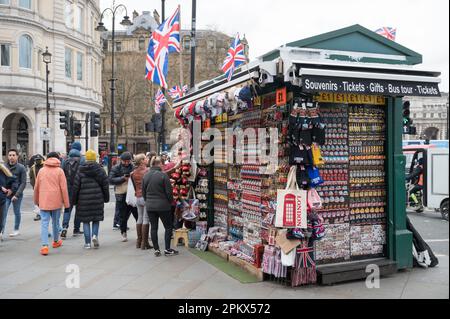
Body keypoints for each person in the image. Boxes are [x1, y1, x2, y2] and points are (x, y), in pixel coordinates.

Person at [34, 152, 70, 256]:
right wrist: (66, 204)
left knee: (44, 222)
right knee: (55, 221)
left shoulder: (41, 170)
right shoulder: (60, 171)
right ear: (57, 159)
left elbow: (37, 187)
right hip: (56, 200)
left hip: (44, 200)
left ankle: (45, 246)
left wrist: (36, 201)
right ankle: (55, 241)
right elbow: (64, 189)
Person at [72, 150, 109, 249]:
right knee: (96, 220)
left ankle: (87, 243)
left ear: (86, 158)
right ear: (95, 158)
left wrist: (74, 201)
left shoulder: (81, 170)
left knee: (85, 221)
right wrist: (106, 198)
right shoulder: (100, 170)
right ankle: (95, 236)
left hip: (83, 200)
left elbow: (76, 187)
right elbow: (105, 185)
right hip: (97, 199)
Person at [143, 156, 178, 257]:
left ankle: (156, 249)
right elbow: (169, 192)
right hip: (163, 206)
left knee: (154, 227)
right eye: (162, 164)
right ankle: (167, 249)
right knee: (168, 227)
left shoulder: (146, 176)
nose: (164, 166)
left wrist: (148, 201)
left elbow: (144, 192)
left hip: (150, 206)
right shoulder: (163, 176)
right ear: (159, 164)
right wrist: (170, 202)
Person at [109, 151, 138, 242]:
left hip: (132, 194)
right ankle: (123, 232)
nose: (126, 163)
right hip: (121, 194)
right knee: (123, 216)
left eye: (128, 161)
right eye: (124, 161)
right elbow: (111, 179)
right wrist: (123, 178)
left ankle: (140, 233)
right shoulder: (116, 168)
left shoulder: (133, 167)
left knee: (137, 214)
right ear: (121, 160)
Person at [1, 149, 27, 238]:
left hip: (17, 194)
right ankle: (1, 231)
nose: (11, 157)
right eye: (10, 155)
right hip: (6, 194)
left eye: (13, 155)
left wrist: (17, 195)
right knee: (3, 213)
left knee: (17, 212)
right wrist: (3, 189)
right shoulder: (3, 167)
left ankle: (16, 229)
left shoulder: (21, 167)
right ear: (7, 156)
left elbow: (23, 183)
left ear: (17, 156)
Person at [131, 154, 152, 250]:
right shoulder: (147, 171)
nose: (147, 159)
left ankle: (138, 241)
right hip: (146, 196)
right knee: (146, 219)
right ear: (142, 161)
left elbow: (135, 186)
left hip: (138, 196)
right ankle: (145, 242)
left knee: (139, 218)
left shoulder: (133, 173)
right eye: (146, 158)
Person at [61, 148, 83, 238]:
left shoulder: (65, 163)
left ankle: (64, 228)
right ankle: (76, 229)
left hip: (67, 189)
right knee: (78, 210)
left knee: (67, 209)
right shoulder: (80, 164)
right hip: (78, 188)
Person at [0, 162, 18, 242]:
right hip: (2, 198)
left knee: (1, 220)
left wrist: (12, 189)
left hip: (2, 200)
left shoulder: (3, 170)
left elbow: (14, 179)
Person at [29, 154, 45, 221]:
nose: (38, 161)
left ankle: (44, 213)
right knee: (37, 201)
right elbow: (31, 176)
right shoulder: (33, 167)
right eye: (36, 160)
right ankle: (39, 214)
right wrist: (33, 185)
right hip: (36, 186)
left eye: (39, 159)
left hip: (44, 186)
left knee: (44, 200)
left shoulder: (45, 166)